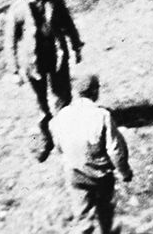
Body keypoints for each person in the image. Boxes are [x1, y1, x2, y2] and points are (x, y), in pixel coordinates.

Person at [5, 0, 83, 159]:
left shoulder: (54, 1)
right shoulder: (17, 9)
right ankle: (46, 137)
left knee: (63, 96)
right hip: (32, 62)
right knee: (40, 103)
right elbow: (10, 42)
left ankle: (67, 137)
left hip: (56, 56)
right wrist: (14, 70)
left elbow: (68, 24)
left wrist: (76, 46)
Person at [52, 70, 131, 234]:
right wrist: (125, 172)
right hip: (99, 175)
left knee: (82, 216)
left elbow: (59, 146)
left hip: (75, 174)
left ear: (76, 92)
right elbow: (115, 150)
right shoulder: (102, 115)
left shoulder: (62, 115)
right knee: (105, 211)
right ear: (95, 91)